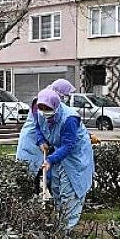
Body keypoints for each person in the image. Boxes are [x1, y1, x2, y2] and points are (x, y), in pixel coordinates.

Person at [34, 88, 95, 230]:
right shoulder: (40, 114)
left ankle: (67, 231)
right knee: (56, 189)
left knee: (69, 193)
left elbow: (69, 145)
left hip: (75, 157)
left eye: (47, 108)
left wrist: (50, 160)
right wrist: (41, 141)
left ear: (55, 105)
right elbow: (39, 128)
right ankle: (60, 225)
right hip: (58, 154)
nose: (44, 111)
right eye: (41, 108)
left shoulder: (70, 119)